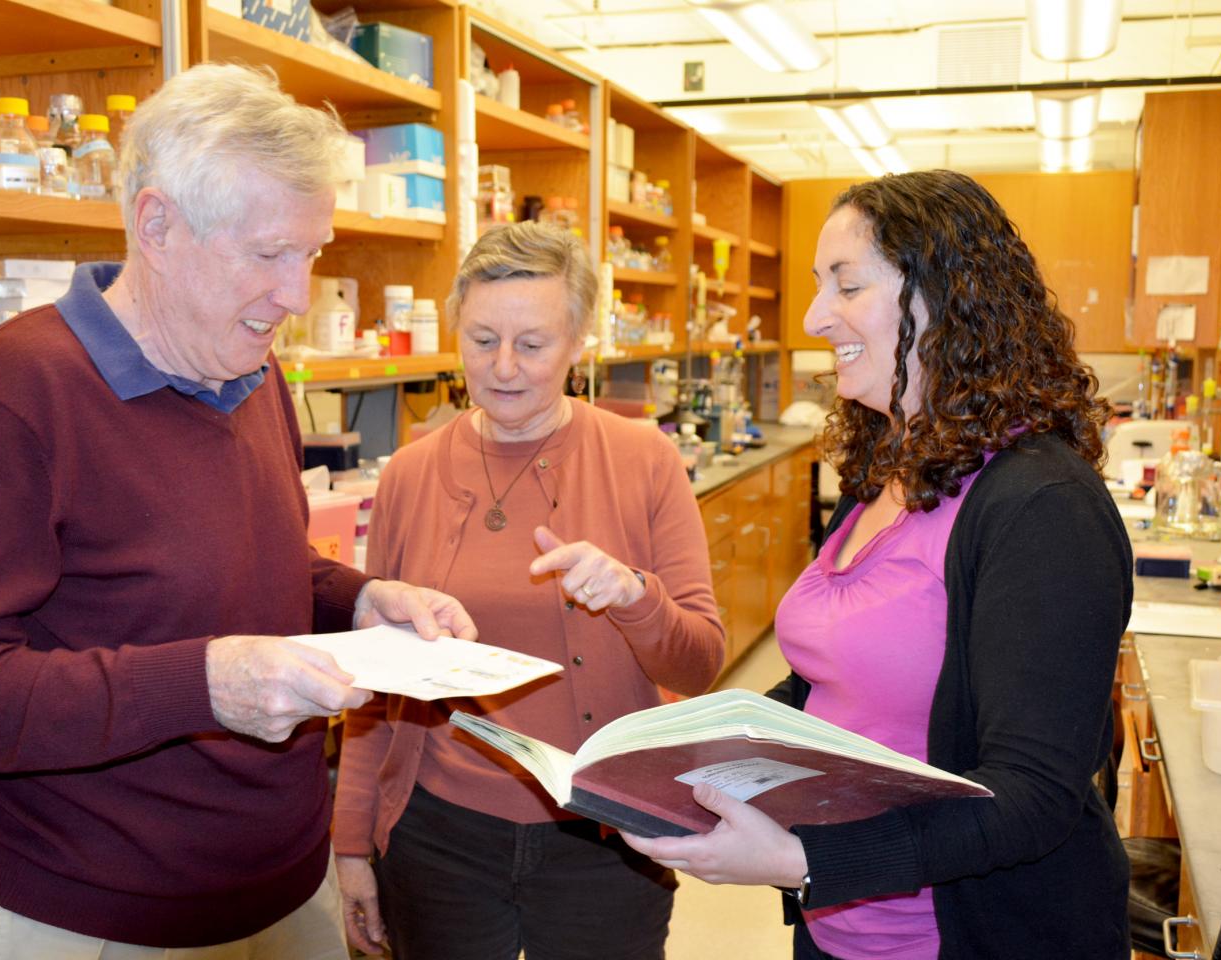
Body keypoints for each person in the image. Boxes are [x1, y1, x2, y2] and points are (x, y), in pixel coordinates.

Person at [0, 63, 475, 960]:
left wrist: (356, 598)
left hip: (285, 891)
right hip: (99, 919)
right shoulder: (15, 394)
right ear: (157, 225)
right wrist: (200, 686)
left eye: (312, 254)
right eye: (269, 254)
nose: (298, 295)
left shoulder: (250, 366)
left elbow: (244, 563)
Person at [623, 170, 1133, 959]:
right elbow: (832, 683)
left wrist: (803, 860)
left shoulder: (1043, 506)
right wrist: (693, 758)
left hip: (967, 937)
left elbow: (1034, 797)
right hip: (842, 927)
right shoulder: (891, 469)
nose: (813, 317)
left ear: (947, 297)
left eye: (846, 285)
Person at [331, 221, 726, 960]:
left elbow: (699, 662)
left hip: (607, 834)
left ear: (578, 342)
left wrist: (633, 595)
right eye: (482, 340)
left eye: (533, 344)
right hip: (440, 833)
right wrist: (352, 841)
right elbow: (375, 678)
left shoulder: (645, 461)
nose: (504, 367)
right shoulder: (411, 474)